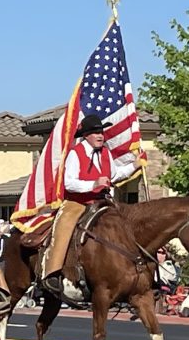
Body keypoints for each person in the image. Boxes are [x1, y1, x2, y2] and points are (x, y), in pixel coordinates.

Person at [41, 114, 146, 294]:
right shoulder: (76, 153)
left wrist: (134, 165)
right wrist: (93, 184)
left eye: (101, 132)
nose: (100, 135)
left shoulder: (105, 152)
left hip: (103, 201)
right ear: (87, 135)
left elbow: (114, 175)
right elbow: (68, 182)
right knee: (64, 225)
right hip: (78, 202)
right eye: (96, 132)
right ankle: (53, 271)